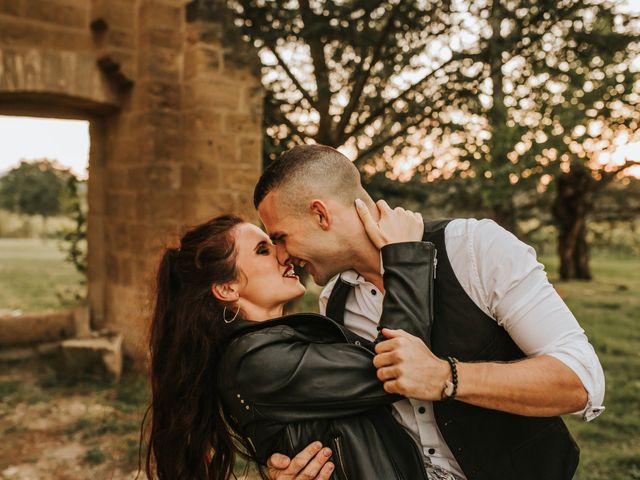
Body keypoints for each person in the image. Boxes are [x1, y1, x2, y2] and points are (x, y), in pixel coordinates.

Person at [255, 144, 606, 480]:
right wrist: (297, 466)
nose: (281, 256)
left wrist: (446, 378)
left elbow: (580, 380)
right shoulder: (333, 302)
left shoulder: (473, 248)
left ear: (321, 214)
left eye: (281, 237)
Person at [142, 206, 460, 480]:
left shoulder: (267, 346)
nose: (284, 256)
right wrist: (404, 255)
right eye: (264, 250)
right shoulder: (254, 362)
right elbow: (396, 370)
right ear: (228, 288)